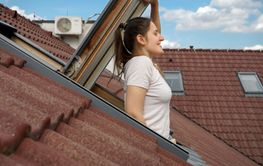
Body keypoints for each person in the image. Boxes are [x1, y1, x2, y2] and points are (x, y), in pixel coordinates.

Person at [114, 0, 176, 143]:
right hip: (153, 148)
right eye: (156, 34)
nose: (161, 37)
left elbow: (153, 34)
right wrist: (158, 146)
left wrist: (154, 5)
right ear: (141, 39)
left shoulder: (145, 62)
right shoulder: (140, 64)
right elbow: (133, 113)